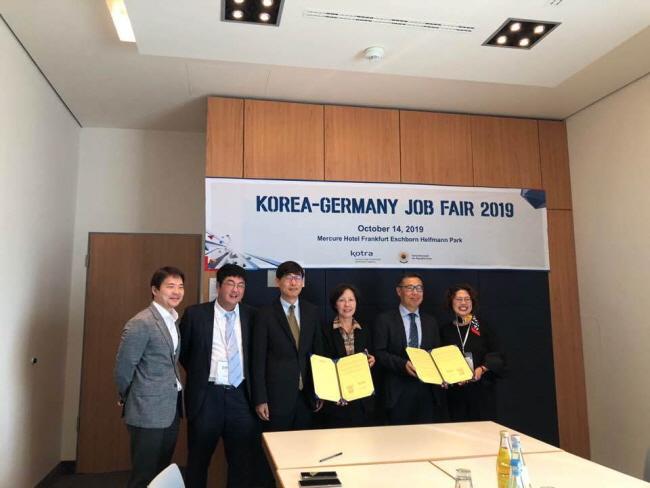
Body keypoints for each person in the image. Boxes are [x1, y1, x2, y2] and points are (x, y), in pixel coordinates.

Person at [179, 264, 263, 488]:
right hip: (207, 396)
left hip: (241, 397)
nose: (235, 290)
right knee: (198, 461)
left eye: (241, 285)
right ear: (218, 287)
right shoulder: (195, 314)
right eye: (230, 284)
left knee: (241, 464)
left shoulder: (253, 316)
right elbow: (184, 354)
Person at [114, 266, 185, 488]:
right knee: (144, 475)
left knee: (161, 474)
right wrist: (127, 395)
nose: (176, 292)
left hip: (170, 407)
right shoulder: (142, 322)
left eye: (180, 286)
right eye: (170, 286)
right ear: (155, 290)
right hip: (146, 409)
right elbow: (124, 366)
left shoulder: (172, 319)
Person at [252, 261, 322, 431]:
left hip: (306, 397)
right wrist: (260, 399)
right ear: (278, 281)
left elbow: (318, 354)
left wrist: (321, 391)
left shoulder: (312, 311)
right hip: (276, 398)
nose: (293, 282)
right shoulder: (265, 314)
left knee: (304, 444)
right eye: (288, 277)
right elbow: (258, 360)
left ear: (302, 282)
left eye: (297, 278)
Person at [373, 272, 444, 425]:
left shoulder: (431, 321)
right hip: (397, 392)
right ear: (399, 291)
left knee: (426, 436)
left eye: (419, 288)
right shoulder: (384, 320)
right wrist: (403, 364)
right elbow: (379, 353)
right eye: (410, 288)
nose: (415, 292)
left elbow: (436, 353)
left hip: (427, 391)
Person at [440, 283, 505, 421]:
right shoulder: (445, 330)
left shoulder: (482, 327)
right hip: (454, 395)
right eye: (459, 299)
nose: (463, 303)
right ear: (451, 302)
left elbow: (499, 355)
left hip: (481, 393)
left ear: (472, 302)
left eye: (467, 299)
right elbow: (440, 359)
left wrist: (483, 368)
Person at [318, 284, 375, 428]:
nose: (347, 304)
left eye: (351, 300)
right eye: (342, 300)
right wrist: (334, 394)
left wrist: (373, 360)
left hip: (362, 399)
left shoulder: (366, 330)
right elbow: (322, 367)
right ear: (335, 304)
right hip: (336, 402)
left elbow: (375, 358)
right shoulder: (324, 331)